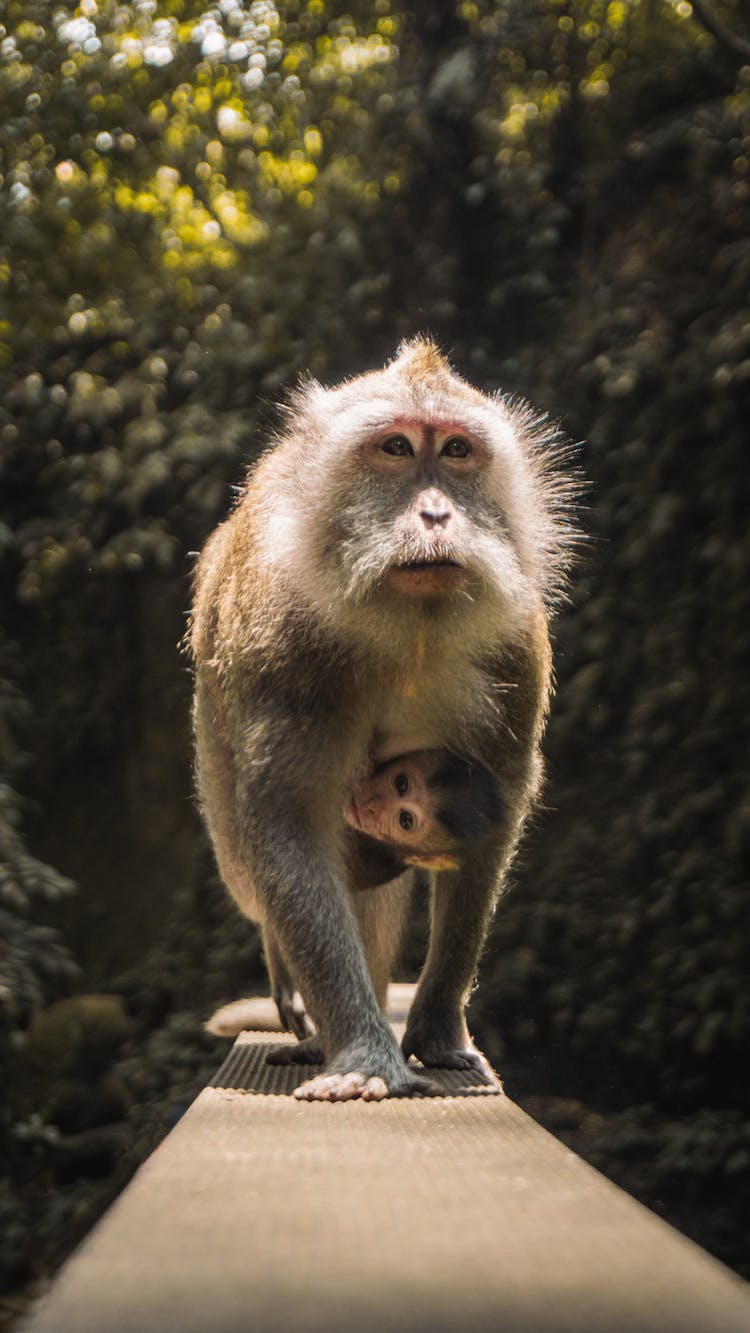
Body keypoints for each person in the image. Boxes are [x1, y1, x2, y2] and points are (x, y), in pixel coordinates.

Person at [344, 749, 502, 887]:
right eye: (401, 784)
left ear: (420, 859)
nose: (373, 805)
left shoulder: (362, 870)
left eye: (405, 821)